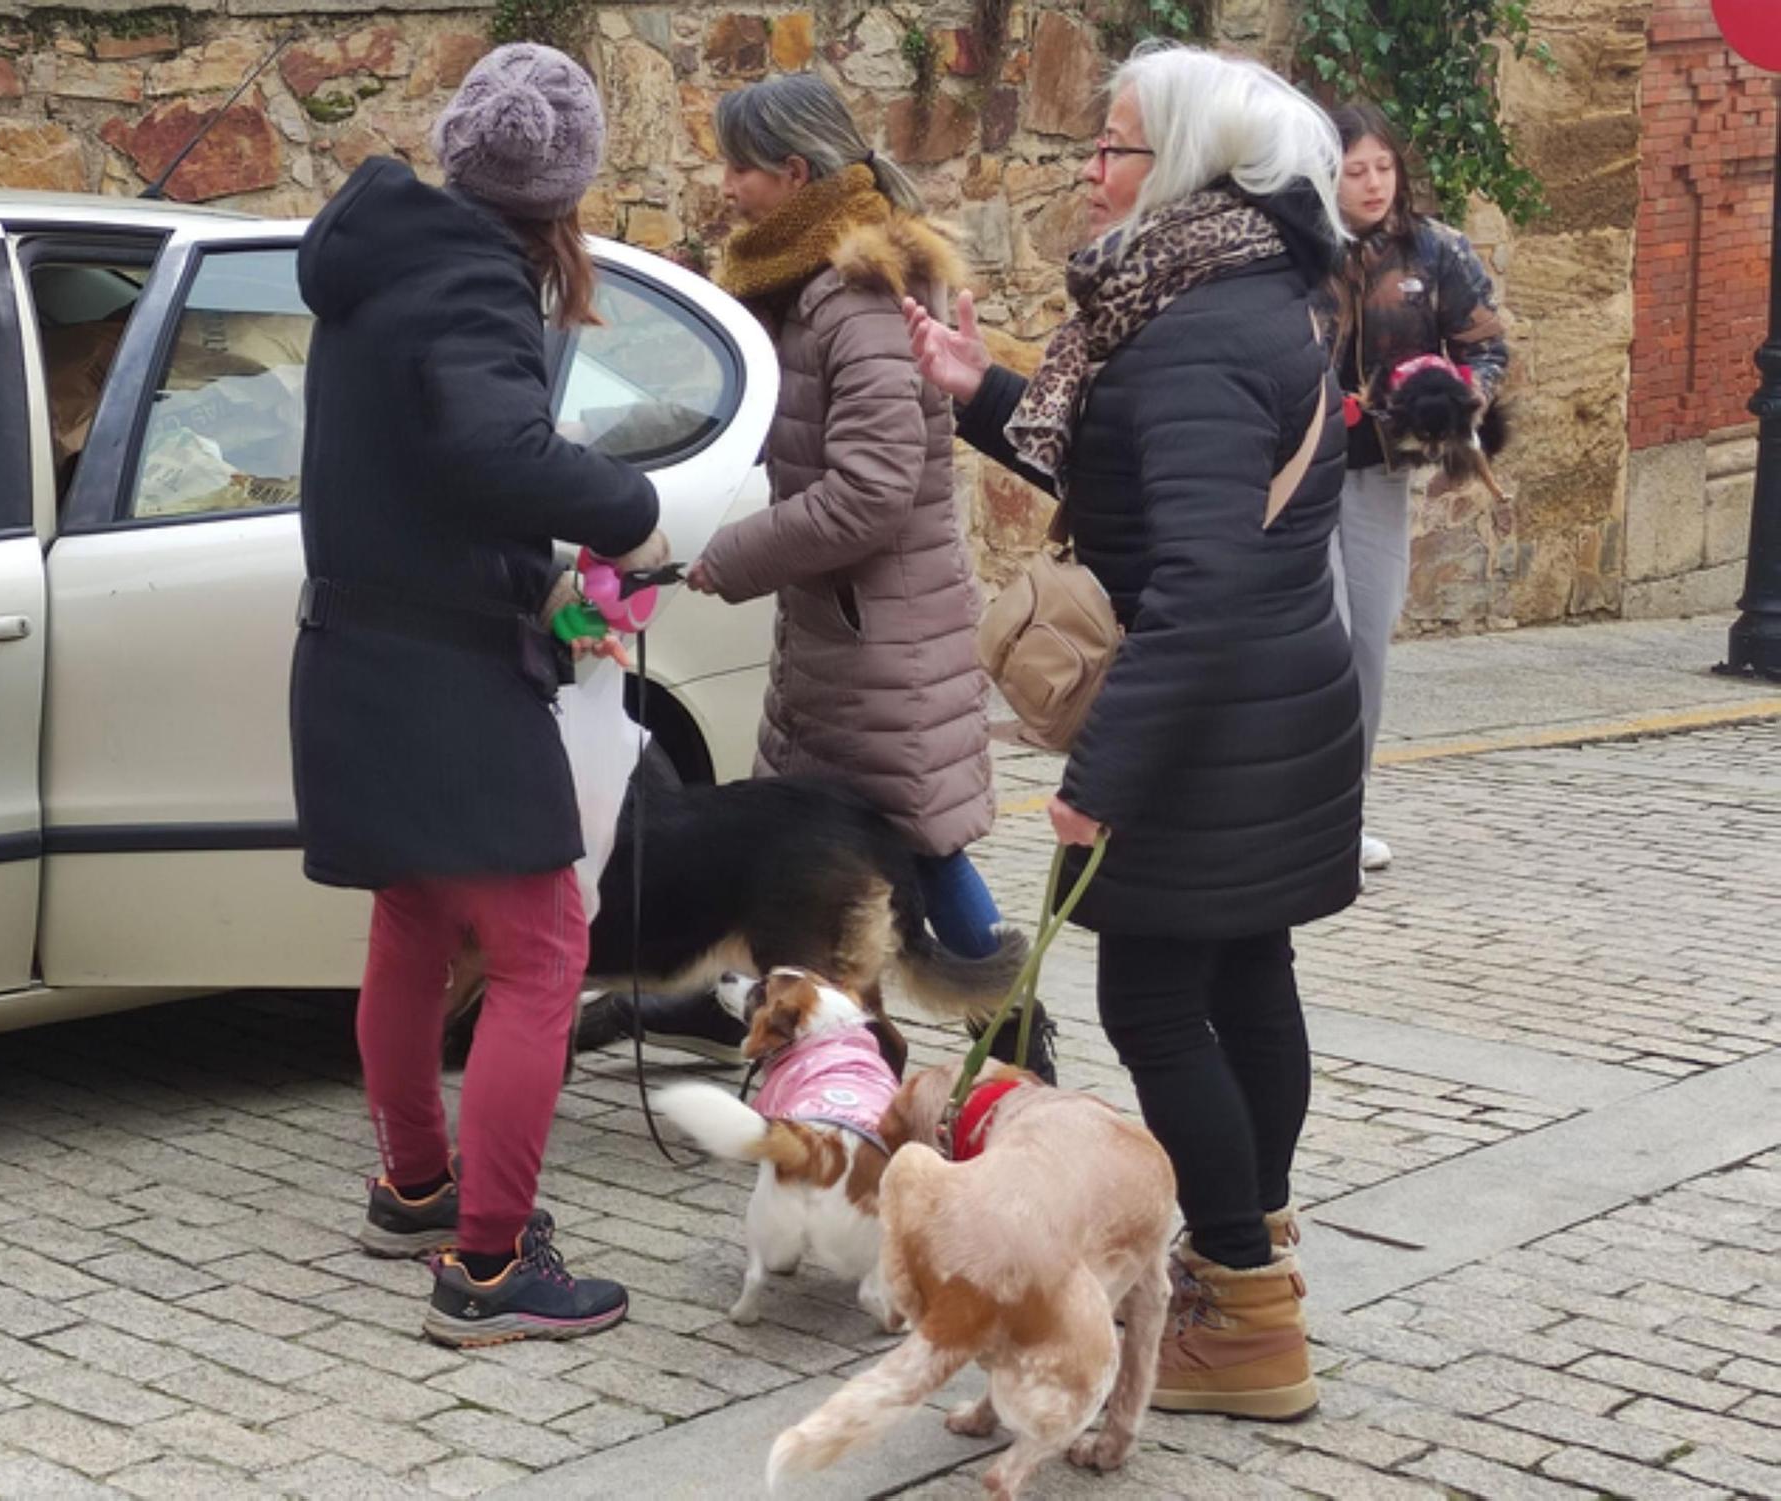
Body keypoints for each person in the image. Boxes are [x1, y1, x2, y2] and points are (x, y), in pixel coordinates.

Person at [904, 43, 1361, 1420]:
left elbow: (1200, 575)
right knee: (1240, 981)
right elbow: (1146, 477)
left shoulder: (1196, 326)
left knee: (1157, 1002)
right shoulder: (1247, 290)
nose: (1088, 172)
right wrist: (981, 389)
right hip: (1273, 707)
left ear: (1182, 169)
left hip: (1209, 728)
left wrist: (1100, 777)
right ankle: (1255, 1260)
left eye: (1110, 147)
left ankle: (1243, 1308)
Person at [290, 42, 669, 1348]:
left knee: (411, 922)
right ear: (560, 187)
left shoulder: (385, 252)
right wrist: (633, 508)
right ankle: (493, 1265)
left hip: (359, 648)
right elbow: (492, 445)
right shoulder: (468, 276)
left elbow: (439, 462)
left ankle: (414, 1185)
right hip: (438, 666)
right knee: (541, 949)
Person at [610, 73, 1054, 1076]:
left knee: (912, 842)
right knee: (830, 849)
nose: (723, 185)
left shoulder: (854, 296)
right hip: (840, 629)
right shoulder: (796, 285)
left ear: (794, 174)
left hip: (878, 634)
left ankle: (1014, 1038)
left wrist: (726, 560)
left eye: (738, 166)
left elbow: (870, 490)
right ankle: (823, 1043)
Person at [1323, 102, 1510, 876]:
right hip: (1293, 471)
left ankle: (1344, 816)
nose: (1372, 183)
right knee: (1317, 642)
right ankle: (1298, 816)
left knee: (1366, 642)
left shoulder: (1436, 250)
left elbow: (1489, 348)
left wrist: (1458, 395)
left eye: (1382, 167)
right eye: (1354, 169)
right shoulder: (1297, 250)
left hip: (1380, 473)